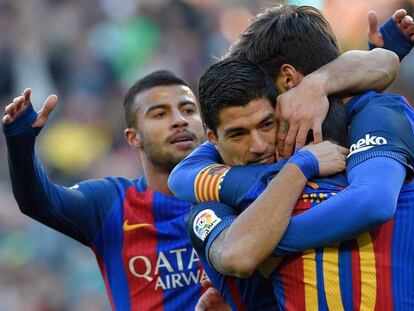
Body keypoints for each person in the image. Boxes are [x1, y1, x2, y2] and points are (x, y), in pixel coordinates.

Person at [173, 5, 414, 310]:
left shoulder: (376, 115)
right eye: (238, 133)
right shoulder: (216, 198)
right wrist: (301, 168)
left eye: (266, 118)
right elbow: (185, 178)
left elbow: (373, 201)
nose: (258, 144)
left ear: (288, 81)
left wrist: (266, 241)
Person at [2, 70, 212, 310]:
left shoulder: (230, 193)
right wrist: (20, 141)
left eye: (188, 110)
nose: (179, 120)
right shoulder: (112, 203)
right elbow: (38, 202)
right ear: (133, 138)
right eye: (160, 114)